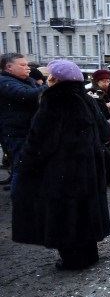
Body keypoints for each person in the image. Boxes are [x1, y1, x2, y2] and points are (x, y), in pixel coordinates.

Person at [11, 60, 110, 270]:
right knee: (85, 212)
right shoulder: (87, 100)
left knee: (65, 215)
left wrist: (25, 164)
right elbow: (105, 133)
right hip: (89, 171)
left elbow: (39, 140)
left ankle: (73, 260)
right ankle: (90, 254)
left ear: (55, 79)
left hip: (62, 172)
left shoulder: (54, 101)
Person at [0, 53, 47, 193]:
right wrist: (48, 85)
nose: (28, 68)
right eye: (23, 65)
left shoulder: (27, 80)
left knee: (27, 167)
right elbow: (27, 96)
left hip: (28, 131)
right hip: (16, 133)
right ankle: (20, 199)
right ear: (9, 67)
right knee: (21, 168)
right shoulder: (4, 81)